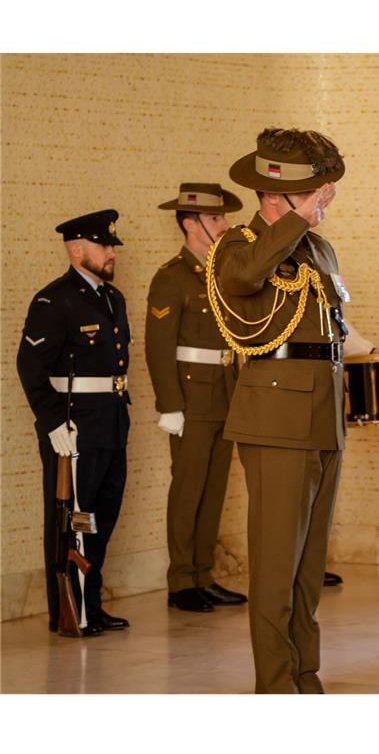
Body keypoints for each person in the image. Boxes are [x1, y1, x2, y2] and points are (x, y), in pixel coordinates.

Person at [210, 127, 346, 693]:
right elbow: (243, 278)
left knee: (308, 566)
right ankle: (274, 684)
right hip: (275, 421)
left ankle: (303, 673)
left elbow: (331, 330)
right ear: (277, 196)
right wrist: (296, 220)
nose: (325, 201)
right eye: (315, 192)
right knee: (274, 566)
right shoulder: (238, 243)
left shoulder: (317, 247)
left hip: (322, 417)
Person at [17, 209, 132, 636]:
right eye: (104, 246)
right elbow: (30, 368)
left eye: (111, 246)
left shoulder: (111, 298)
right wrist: (52, 423)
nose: (111, 253)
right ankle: (70, 613)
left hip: (112, 423)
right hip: (74, 429)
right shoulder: (55, 300)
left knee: (101, 520)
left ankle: (93, 607)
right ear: (76, 248)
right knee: (73, 523)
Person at [147, 183, 248, 613]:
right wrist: (170, 404)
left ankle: (203, 573)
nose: (223, 225)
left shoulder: (222, 272)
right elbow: (158, 345)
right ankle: (181, 580)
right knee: (188, 489)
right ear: (190, 224)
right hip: (190, 398)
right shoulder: (171, 276)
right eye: (215, 219)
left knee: (214, 489)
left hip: (225, 393)